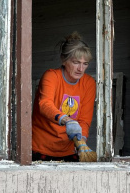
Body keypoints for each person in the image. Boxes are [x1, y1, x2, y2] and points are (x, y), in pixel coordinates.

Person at [32, 32, 96, 162]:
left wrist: (81, 142)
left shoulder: (89, 83)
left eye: (85, 63)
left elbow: (84, 120)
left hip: (68, 149)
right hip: (41, 147)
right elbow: (45, 104)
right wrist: (67, 120)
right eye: (76, 62)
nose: (81, 69)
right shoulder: (52, 76)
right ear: (63, 60)